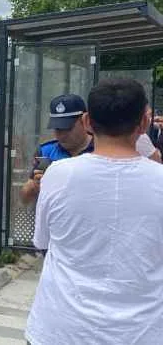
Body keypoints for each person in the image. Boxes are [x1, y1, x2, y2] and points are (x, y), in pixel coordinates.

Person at [26, 78, 163, 345]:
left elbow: (43, 241)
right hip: (141, 333)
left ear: (87, 121)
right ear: (144, 123)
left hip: (59, 330)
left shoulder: (57, 174)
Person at [19, 94, 93, 205]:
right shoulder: (46, 152)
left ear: (84, 121)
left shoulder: (101, 149)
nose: (61, 135)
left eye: (67, 128)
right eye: (57, 129)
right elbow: (24, 200)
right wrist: (35, 186)